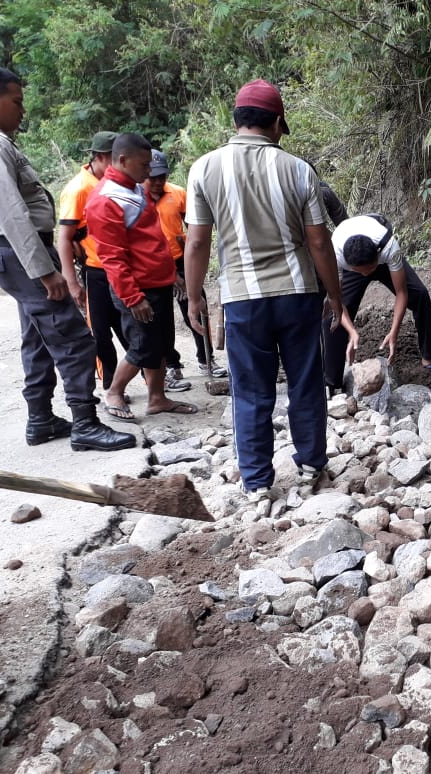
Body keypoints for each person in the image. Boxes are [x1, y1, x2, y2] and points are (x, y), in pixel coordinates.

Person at [182, 79, 344, 502]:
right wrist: (335, 294)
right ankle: (312, 464)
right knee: (305, 382)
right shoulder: (298, 169)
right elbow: (319, 241)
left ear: (236, 120)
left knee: (251, 391)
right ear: (275, 122)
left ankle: (256, 482)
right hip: (298, 294)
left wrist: (195, 297)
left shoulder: (204, 168)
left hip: (242, 299)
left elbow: (196, 242)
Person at [0, 66, 136, 452]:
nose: (22, 110)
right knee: (72, 334)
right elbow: (12, 215)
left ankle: (40, 419)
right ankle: (85, 423)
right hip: (20, 251)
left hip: (13, 251)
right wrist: (45, 271)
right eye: (16, 102)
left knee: (37, 335)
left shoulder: (2, 144)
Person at [85, 132, 198, 420]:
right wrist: (133, 297)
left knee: (161, 343)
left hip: (158, 282)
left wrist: (172, 274)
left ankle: (157, 398)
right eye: (144, 165)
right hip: (138, 288)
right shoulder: (105, 199)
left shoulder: (135, 189)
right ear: (123, 160)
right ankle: (114, 392)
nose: (149, 171)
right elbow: (112, 256)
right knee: (142, 346)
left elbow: (154, 239)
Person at [323, 213, 431, 397]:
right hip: (353, 262)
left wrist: (394, 332)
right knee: (332, 318)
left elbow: (402, 292)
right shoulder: (334, 255)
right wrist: (352, 331)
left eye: (370, 270)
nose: (367, 275)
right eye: (363, 272)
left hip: (379, 259)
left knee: (420, 294)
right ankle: (331, 383)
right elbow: (335, 300)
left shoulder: (388, 246)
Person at [56, 131, 139, 392]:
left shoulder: (119, 183)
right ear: (101, 157)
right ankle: (112, 387)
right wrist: (72, 283)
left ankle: (151, 380)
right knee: (101, 333)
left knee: (133, 328)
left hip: (124, 268)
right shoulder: (79, 189)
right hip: (97, 271)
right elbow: (64, 238)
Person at [143, 148, 227, 382]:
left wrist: (190, 244)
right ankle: (171, 364)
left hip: (180, 261)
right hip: (153, 266)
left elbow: (194, 225)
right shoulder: (137, 198)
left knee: (197, 308)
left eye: (162, 177)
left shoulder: (178, 194)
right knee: (162, 319)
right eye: (153, 177)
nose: (158, 182)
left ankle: (206, 359)